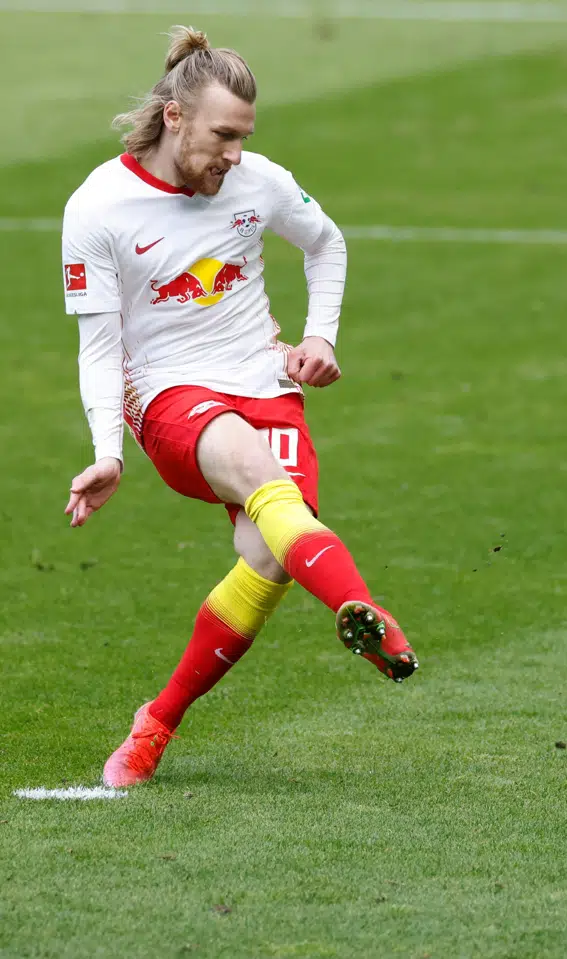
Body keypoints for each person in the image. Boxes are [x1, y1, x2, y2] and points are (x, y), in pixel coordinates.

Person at [60, 25, 418, 789]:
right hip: (168, 393)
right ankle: (359, 609)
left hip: (263, 378)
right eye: (223, 135)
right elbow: (99, 345)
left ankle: (155, 722)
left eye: (245, 138)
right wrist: (107, 451)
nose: (234, 154)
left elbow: (326, 244)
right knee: (259, 474)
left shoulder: (259, 181)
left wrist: (319, 336)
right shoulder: (99, 207)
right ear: (175, 117)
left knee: (269, 556)